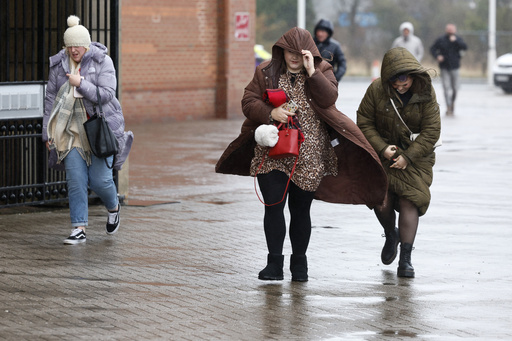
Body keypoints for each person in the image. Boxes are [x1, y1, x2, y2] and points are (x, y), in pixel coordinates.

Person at [216, 27, 387, 282]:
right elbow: (248, 101)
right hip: (271, 151)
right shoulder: (266, 71)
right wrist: (270, 114)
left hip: (309, 155)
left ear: (309, 53)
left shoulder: (323, 71)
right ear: (281, 50)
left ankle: (299, 265)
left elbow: (329, 99)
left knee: (300, 210)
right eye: (289, 52)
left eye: (300, 53)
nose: (294, 57)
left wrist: (312, 71)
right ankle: (273, 264)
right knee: (273, 206)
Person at [42, 15, 133, 245]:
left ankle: (113, 207)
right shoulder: (58, 64)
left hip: (98, 129)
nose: (74, 50)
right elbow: (50, 98)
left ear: (86, 44)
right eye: (69, 46)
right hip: (70, 131)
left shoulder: (103, 61)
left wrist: (80, 83)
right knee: (75, 179)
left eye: (78, 45)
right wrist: (47, 132)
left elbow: (107, 94)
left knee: (100, 181)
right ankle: (79, 227)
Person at [356, 47, 441, 278]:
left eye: (403, 79)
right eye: (393, 80)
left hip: (416, 158)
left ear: (413, 75)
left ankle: (406, 259)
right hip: (384, 153)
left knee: (409, 200)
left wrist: (408, 156)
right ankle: (390, 234)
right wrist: (382, 149)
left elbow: (432, 131)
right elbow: (363, 121)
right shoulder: (376, 90)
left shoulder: (426, 93)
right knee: (380, 200)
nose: (399, 85)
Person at [430, 24, 467, 116]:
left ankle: (452, 102)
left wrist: (456, 41)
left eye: (452, 30)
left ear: (455, 30)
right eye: (449, 30)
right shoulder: (441, 39)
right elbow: (432, 49)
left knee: (455, 88)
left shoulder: (458, 39)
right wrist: (437, 56)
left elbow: (465, 47)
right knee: (446, 87)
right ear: (446, 30)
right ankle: (448, 106)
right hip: (444, 66)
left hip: (455, 66)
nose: (450, 31)